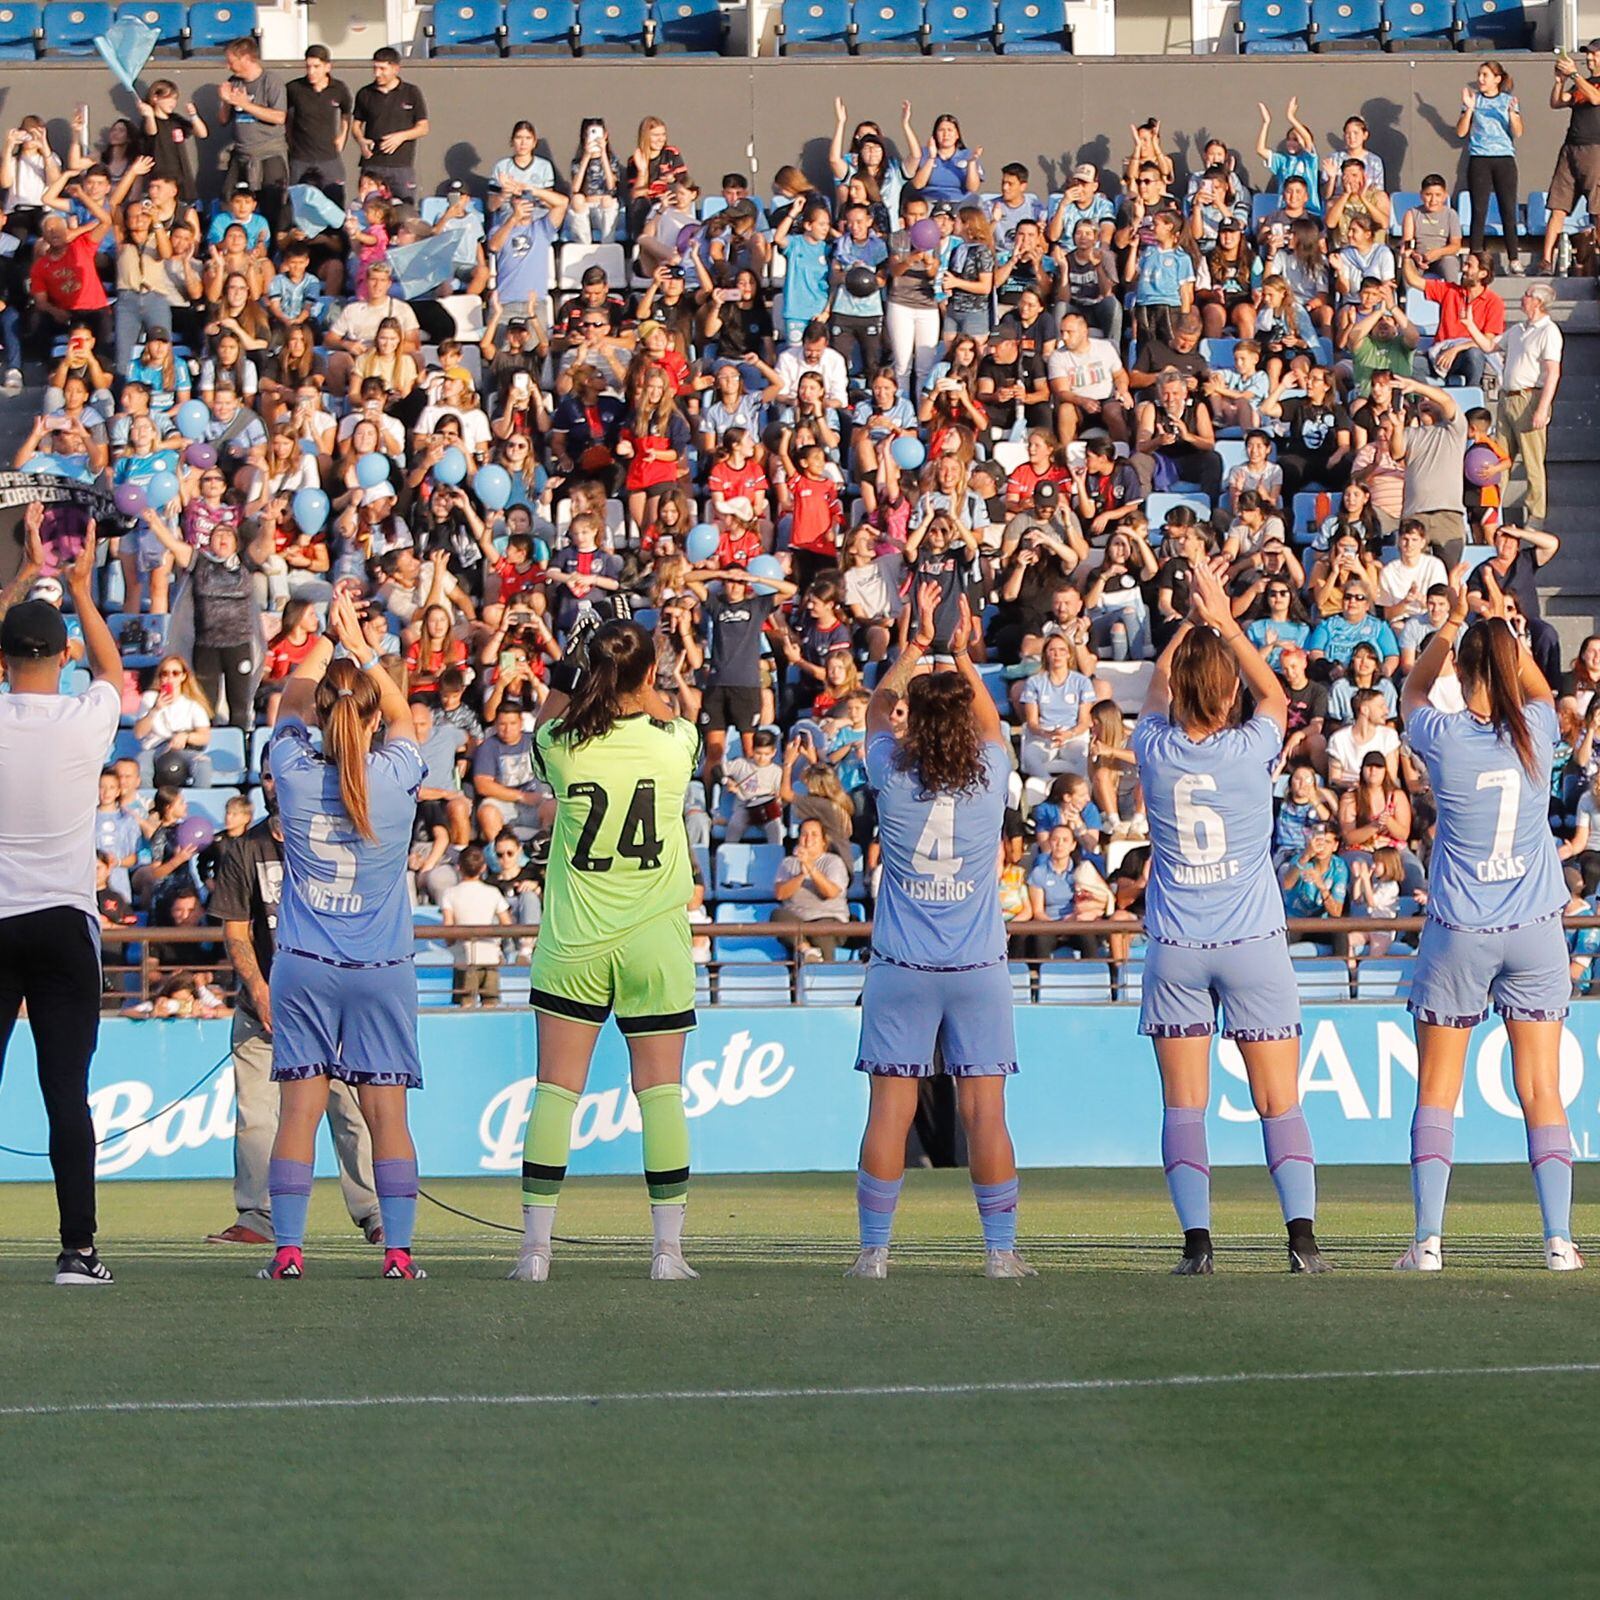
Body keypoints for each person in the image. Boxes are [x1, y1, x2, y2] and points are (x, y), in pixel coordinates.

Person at [1132, 559, 1328, 1277]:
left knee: (1185, 1105)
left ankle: (1198, 1245)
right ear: (1229, 693)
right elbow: (1277, 690)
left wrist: (1187, 622)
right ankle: (1301, 1239)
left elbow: (1155, 687)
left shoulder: (1153, 749)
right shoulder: (1252, 750)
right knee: (1279, 1099)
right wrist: (1224, 620)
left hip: (1178, 944)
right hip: (1252, 942)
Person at [1396, 575, 1582, 1272]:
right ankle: (1558, 1241)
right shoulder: (1535, 728)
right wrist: (1502, 619)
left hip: (1461, 929)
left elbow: (1412, 691)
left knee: (1439, 1089)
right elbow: (1541, 691)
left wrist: (1448, 626)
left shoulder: (1445, 736)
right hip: (1533, 924)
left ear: (1465, 671)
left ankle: (1428, 1241)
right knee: (1541, 1088)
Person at [848, 585, 1032, 1280]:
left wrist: (916, 646)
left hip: (901, 965)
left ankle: (874, 1252)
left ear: (914, 722)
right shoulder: (991, 780)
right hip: (977, 967)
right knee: (985, 1112)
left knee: (889, 1112)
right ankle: (1000, 1253)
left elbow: (872, 707)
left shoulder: (891, 776)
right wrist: (959, 651)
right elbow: (990, 722)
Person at [511, 621, 702, 1284]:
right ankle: (668, 1253)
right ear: (650, 674)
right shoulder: (676, 742)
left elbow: (548, 723)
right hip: (654, 938)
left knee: (555, 1094)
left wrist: (573, 669)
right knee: (662, 1095)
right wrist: (639, 677)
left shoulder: (561, 747)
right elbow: (666, 712)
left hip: (575, 939)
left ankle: (536, 1252)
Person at [260, 593, 428, 1282]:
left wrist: (326, 640)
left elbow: (290, 699)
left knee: (299, 1110)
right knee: (386, 1114)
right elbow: (399, 715)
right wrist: (361, 645)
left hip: (304, 963)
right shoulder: (394, 775)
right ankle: (397, 1253)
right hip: (381, 965)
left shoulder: (295, 773)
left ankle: (290, 1252)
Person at [0, 527, 120, 1284]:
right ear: (63, 656)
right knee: (65, 1096)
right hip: (64, 924)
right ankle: (78, 1249)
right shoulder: (85, 719)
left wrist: (19, 569)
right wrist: (78, 586)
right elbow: (113, 669)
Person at [206, 747, 381, 1248]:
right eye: (266, 777)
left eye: (282, 775)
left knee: (353, 1113)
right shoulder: (244, 850)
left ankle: (375, 1212)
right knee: (257, 1117)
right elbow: (237, 933)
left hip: (332, 1006)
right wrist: (259, 992)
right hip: (261, 1009)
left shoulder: (338, 838)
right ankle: (258, 1219)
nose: (274, 784)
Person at [1496, 282, 1563, 529]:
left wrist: (1542, 408)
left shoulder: (1549, 331)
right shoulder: (1517, 330)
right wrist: (1469, 327)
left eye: (1527, 295)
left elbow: (1553, 372)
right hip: (1507, 397)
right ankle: (1493, 509)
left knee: (1532, 462)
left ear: (1538, 302)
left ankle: (1536, 515)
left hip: (1528, 398)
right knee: (1500, 458)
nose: (1522, 298)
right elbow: (1491, 345)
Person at [1538, 43, 1600, 276]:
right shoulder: (1581, 83)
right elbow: (1557, 102)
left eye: (1594, 53)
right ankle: (1545, 261)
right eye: (1588, 53)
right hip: (1570, 149)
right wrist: (1560, 81)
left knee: (1597, 208)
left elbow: (1595, 98)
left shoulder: (1591, 84)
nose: (1590, 58)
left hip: (1595, 149)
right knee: (1558, 207)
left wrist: (1574, 73)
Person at [1457, 61, 1524, 273]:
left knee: (1508, 209)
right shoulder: (1474, 100)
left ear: (1497, 78)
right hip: (1479, 159)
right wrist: (1469, 109)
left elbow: (1519, 132)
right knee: (1479, 210)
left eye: (1485, 75)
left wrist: (1512, 114)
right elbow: (1460, 132)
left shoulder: (1508, 100)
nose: (1481, 79)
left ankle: (1513, 258)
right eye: (1479, 75)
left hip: (1504, 159)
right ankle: (1474, 257)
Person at [351, 47, 430, 203]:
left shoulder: (411, 92)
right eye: (375, 68)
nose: (377, 73)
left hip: (401, 165)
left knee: (404, 211)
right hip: (373, 164)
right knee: (371, 210)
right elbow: (356, 126)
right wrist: (361, 140)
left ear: (395, 69)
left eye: (382, 69)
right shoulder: (365, 93)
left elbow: (423, 128)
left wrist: (400, 137)